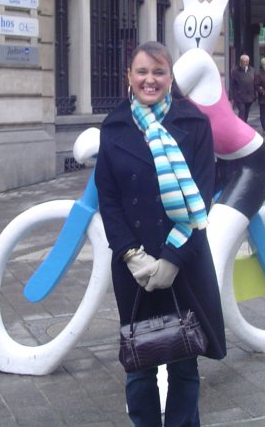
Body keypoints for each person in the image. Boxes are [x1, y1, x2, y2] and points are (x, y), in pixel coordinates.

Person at [95, 41, 226, 427]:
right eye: (141, 71)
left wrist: (172, 259)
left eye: (158, 72)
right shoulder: (115, 126)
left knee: (184, 359)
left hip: (182, 260)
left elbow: (202, 196)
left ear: (170, 79)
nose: (149, 79)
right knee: (139, 365)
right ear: (128, 77)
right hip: (133, 267)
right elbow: (109, 198)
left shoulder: (194, 124)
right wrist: (132, 255)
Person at [230, 54, 256, 122]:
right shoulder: (235, 71)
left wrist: (255, 94)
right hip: (239, 96)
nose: (245, 63)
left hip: (250, 96)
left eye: (246, 61)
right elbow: (232, 84)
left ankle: (244, 123)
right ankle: (240, 125)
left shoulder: (252, 70)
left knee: (246, 112)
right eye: (243, 61)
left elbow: (255, 82)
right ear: (240, 61)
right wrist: (231, 96)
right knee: (242, 111)